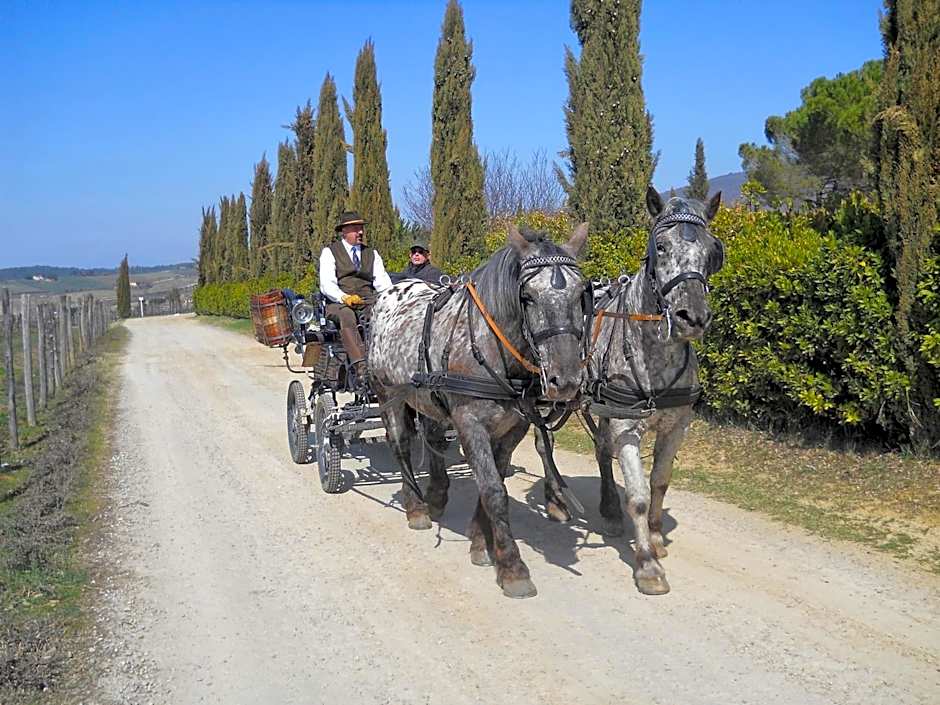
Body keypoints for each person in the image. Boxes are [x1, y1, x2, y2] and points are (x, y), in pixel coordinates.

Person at [318, 211, 393, 382]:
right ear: (344, 231)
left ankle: (384, 359)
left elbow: (383, 282)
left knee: (382, 314)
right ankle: (361, 366)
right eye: (355, 228)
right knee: (347, 315)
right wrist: (344, 297)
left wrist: (389, 299)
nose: (360, 232)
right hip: (338, 303)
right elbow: (326, 284)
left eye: (361, 228)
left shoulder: (371, 253)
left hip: (367, 300)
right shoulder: (330, 252)